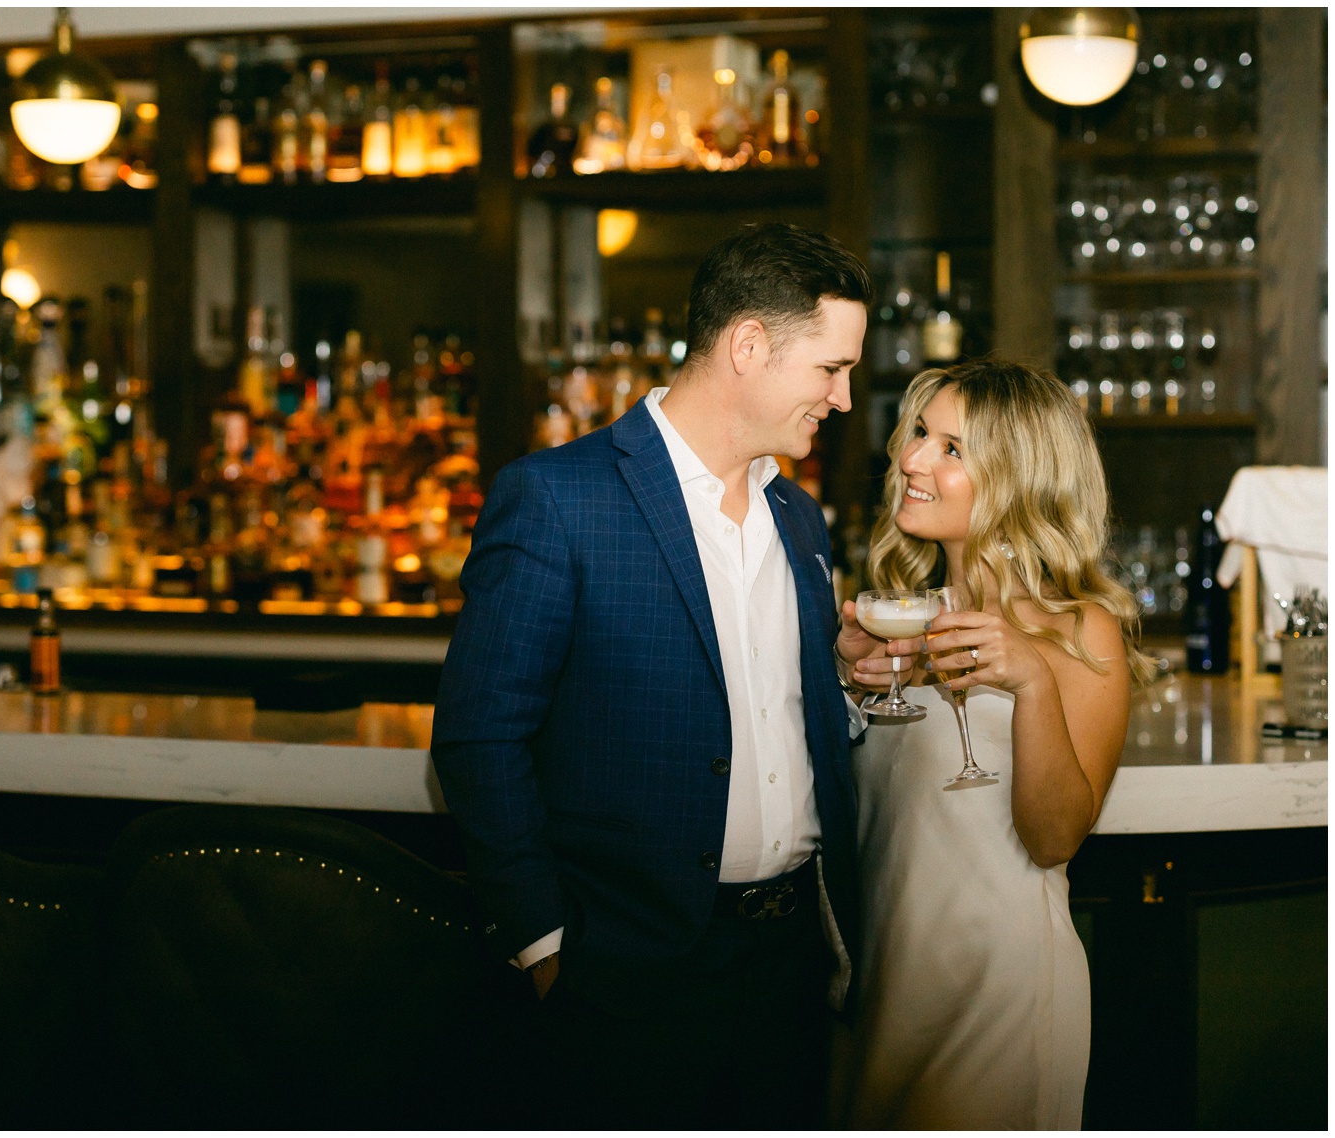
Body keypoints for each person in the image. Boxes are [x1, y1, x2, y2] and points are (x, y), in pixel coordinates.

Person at [430, 222, 881, 1127]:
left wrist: (850, 685)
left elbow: (774, 712)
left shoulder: (798, 515)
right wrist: (543, 941)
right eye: (830, 368)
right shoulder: (558, 498)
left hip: (790, 963)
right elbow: (480, 736)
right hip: (625, 973)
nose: (841, 396)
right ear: (748, 346)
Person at [836, 359, 1152, 1129]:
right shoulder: (890, 621)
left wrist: (1035, 683)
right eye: (918, 434)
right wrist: (839, 681)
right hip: (879, 985)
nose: (911, 459)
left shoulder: (1081, 631)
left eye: (952, 448)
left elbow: (1053, 840)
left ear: (1019, 477)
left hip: (1001, 995)